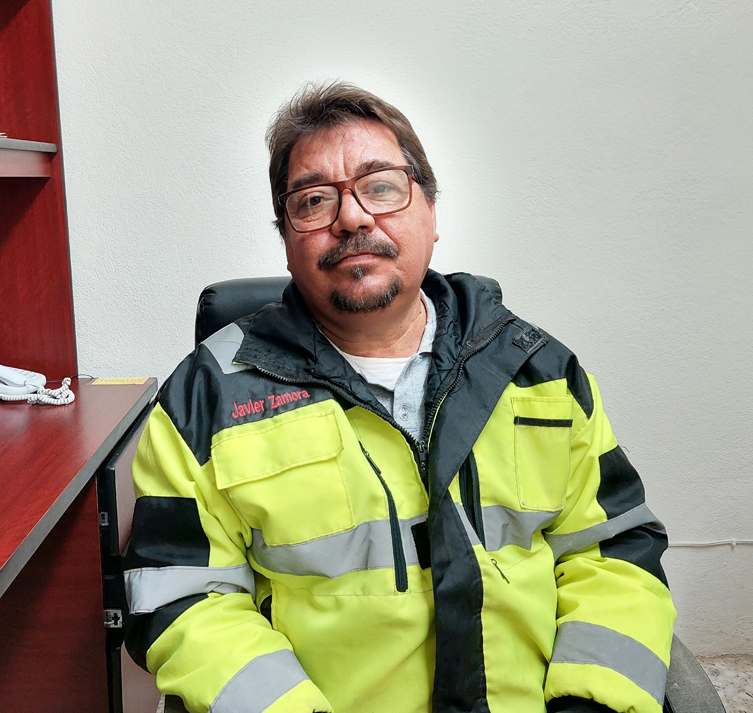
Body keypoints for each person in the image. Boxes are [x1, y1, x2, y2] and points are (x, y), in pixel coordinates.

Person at [123, 81, 676, 713]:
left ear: (431, 213)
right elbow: (184, 597)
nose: (353, 218)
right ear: (287, 238)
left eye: (381, 187)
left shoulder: (537, 370)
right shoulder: (209, 396)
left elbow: (612, 555)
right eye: (314, 200)